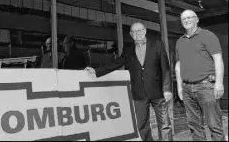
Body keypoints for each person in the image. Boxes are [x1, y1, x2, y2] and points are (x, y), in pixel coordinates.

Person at [85, 22, 173, 141]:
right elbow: (116, 64)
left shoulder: (157, 44)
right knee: (141, 126)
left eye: (140, 30)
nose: (137, 33)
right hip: (138, 93)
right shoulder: (127, 49)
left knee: (164, 124)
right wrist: (96, 71)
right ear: (131, 34)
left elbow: (165, 68)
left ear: (145, 31)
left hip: (158, 91)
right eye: (134, 31)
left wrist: (167, 89)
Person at [175, 9, 225, 141]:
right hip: (187, 89)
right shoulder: (180, 41)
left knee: (214, 125)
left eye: (189, 17)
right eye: (183, 19)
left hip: (206, 86)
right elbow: (178, 65)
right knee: (194, 125)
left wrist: (219, 83)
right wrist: (179, 88)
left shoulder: (208, 35)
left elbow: (218, 59)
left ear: (196, 19)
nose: (186, 20)